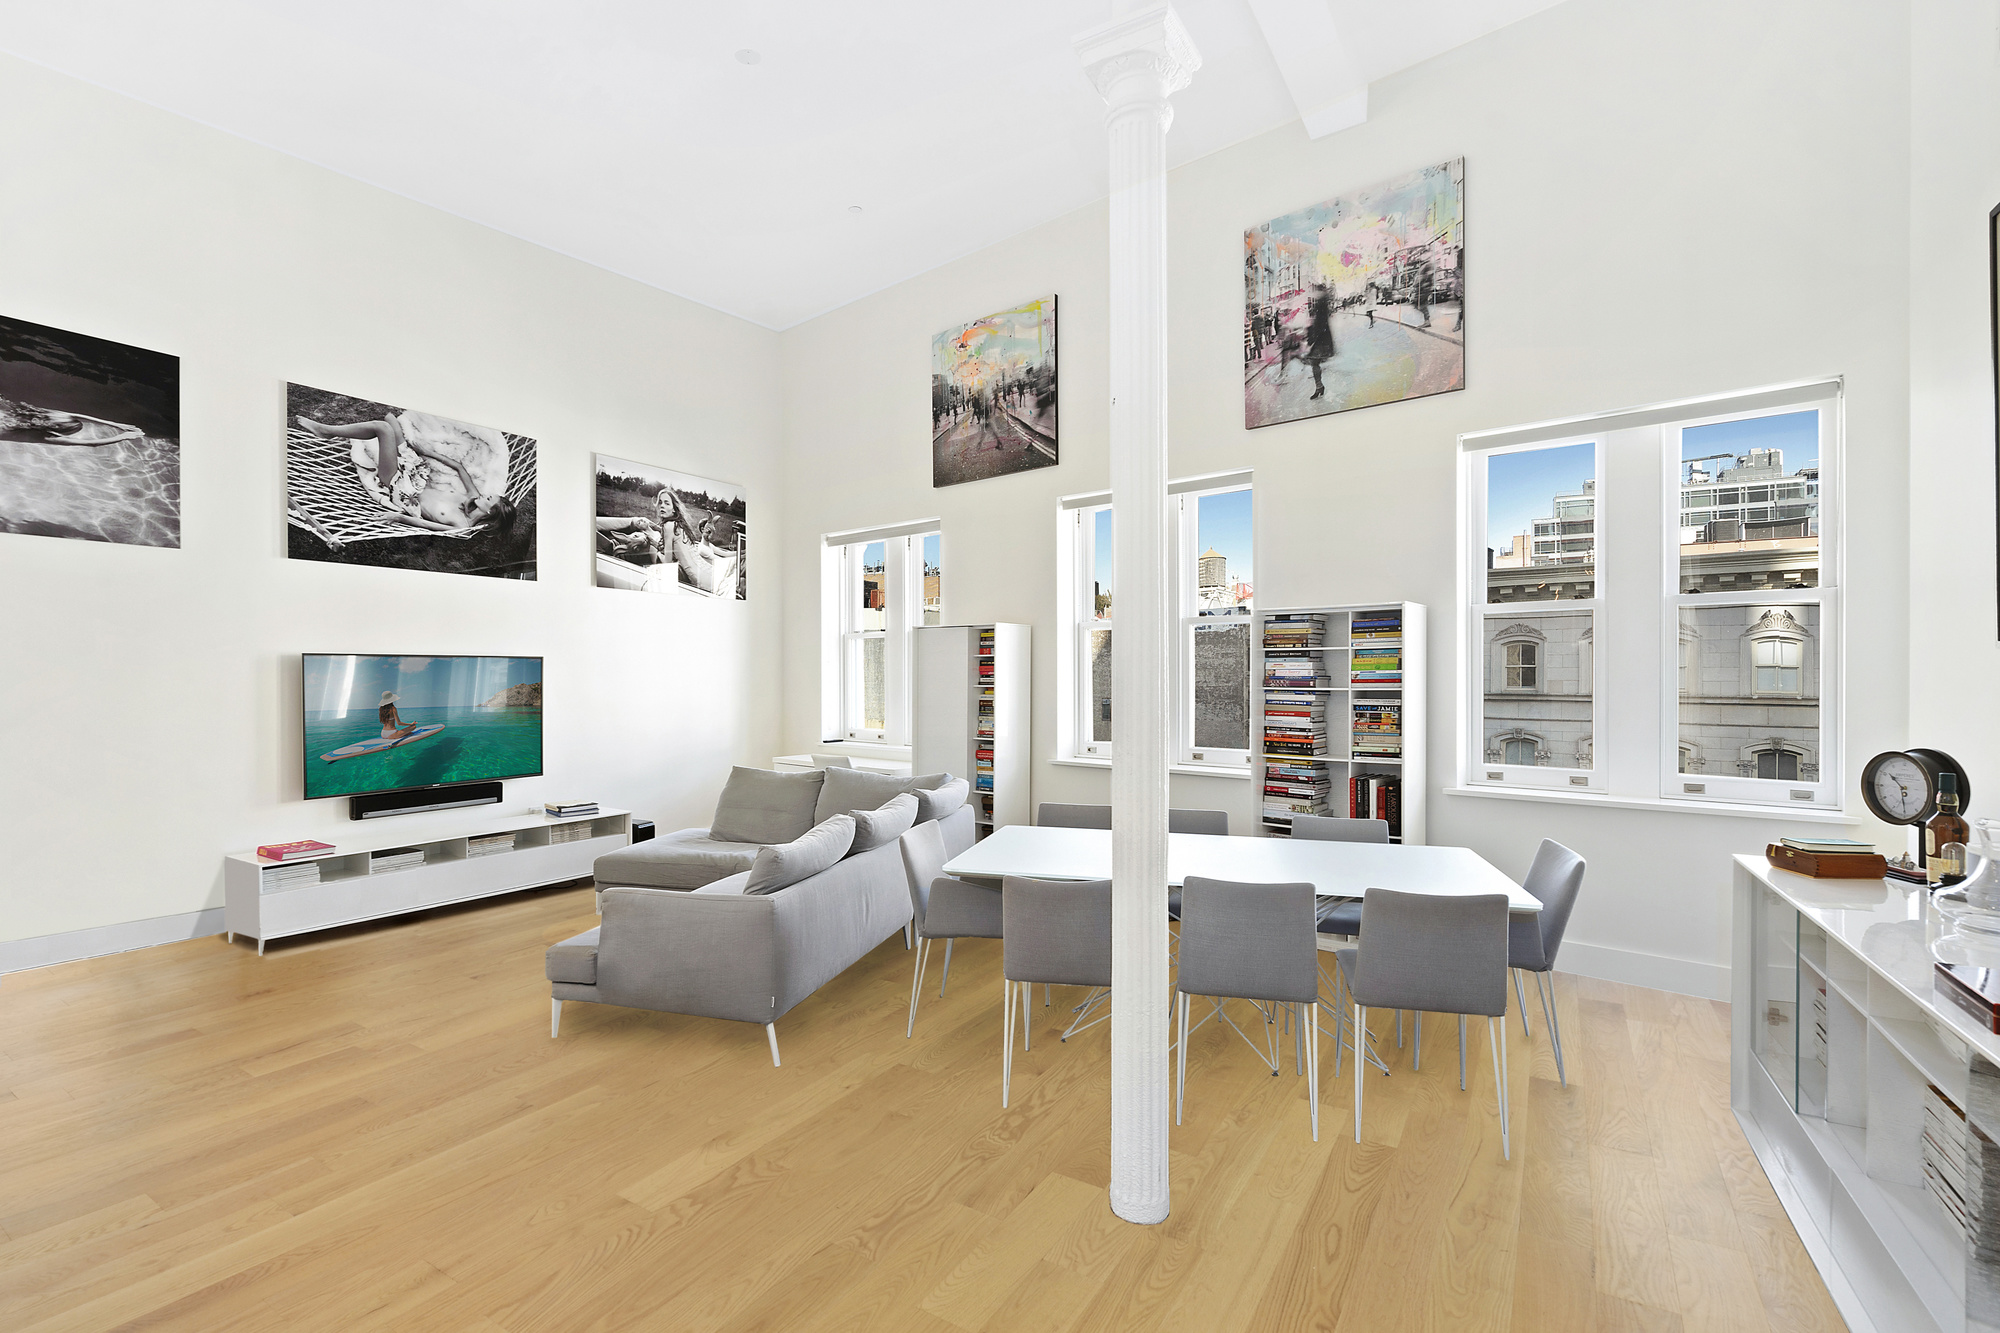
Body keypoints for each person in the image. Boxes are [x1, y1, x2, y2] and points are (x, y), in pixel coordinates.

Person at [298, 410, 515, 533]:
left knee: (382, 428)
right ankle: (333, 432)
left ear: (490, 512)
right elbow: (459, 468)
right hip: (416, 474)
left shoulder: (461, 526)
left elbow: (424, 524)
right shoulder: (472, 496)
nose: (486, 494)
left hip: (400, 489)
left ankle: (326, 431)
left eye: (489, 499)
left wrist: (399, 518)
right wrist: (426, 452)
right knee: (390, 419)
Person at [1303, 283, 1336, 400]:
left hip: (1320, 339)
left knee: (1314, 362)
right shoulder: (1322, 302)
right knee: (1314, 363)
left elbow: (1320, 324)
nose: (1314, 293)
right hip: (1322, 338)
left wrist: (1312, 338)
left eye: (1316, 291)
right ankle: (1319, 387)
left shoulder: (1321, 302)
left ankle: (1319, 387)